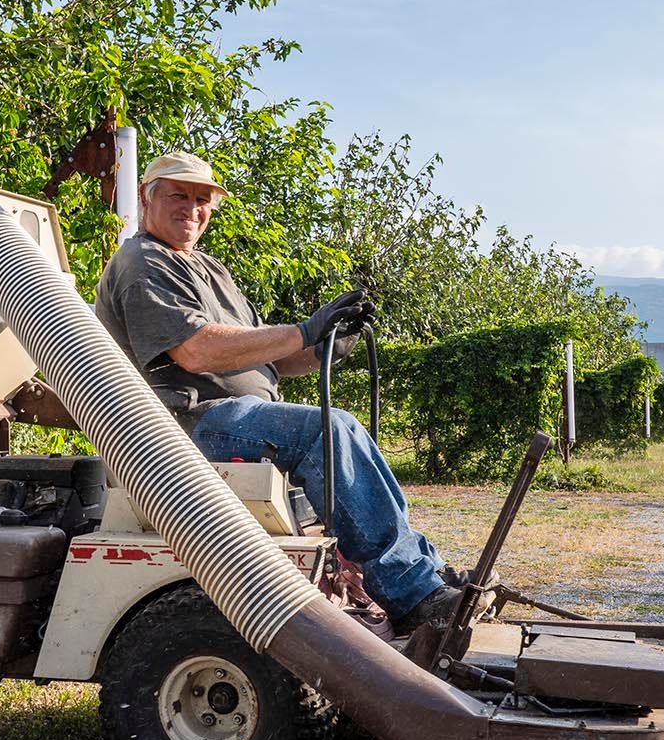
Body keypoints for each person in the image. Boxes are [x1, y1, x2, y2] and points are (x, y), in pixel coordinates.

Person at [93, 150, 463, 636]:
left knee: (334, 429)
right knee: (327, 429)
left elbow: (269, 358)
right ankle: (414, 594)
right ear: (146, 198)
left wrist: (328, 342)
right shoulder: (143, 261)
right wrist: (305, 327)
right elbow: (196, 351)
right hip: (182, 427)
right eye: (177, 195)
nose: (191, 208)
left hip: (235, 418)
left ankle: (422, 575)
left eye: (202, 199)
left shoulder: (209, 269)